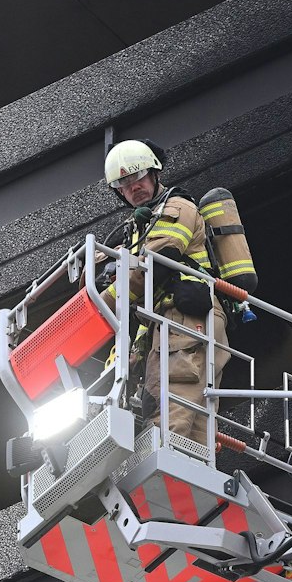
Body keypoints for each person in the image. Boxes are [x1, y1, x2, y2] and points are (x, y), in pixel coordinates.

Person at [101, 138, 226, 445]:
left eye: (137, 176)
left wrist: (97, 308)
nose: (133, 187)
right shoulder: (141, 226)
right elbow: (145, 292)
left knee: (170, 418)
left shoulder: (175, 207)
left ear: (154, 172)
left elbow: (158, 262)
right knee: (194, 433)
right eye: (124, 184)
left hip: (184, 319)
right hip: (172, 322)